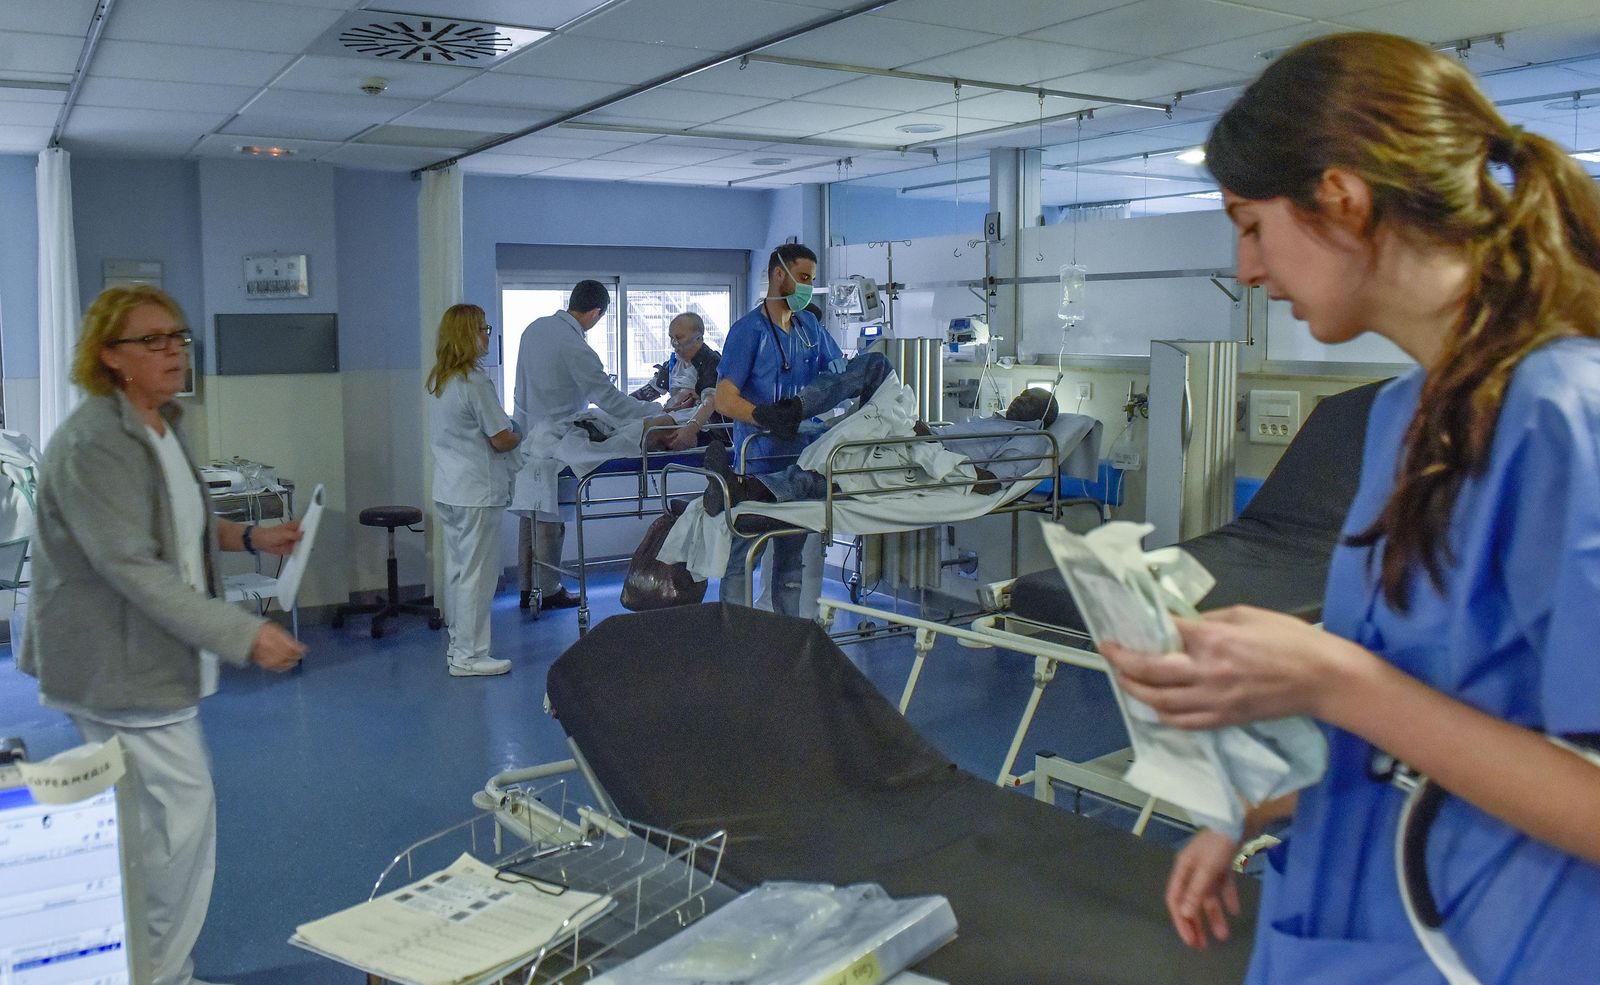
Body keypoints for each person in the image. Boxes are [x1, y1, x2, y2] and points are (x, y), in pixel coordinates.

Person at [1098, 32, 1600, 983]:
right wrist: (1263, 801)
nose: (1245, 268)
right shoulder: (1400, 415)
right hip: (1341, 927)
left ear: (1342, 198)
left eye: (1251, 225)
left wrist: (1334, 679)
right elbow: (1434, 714)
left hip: (1495, 940)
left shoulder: (1568, 416)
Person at [17, 285, 306, 985]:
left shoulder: (161, 424)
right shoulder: (94, 442)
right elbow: (133, 567)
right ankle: (159, 976)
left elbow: (179, 519)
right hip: (117, 664)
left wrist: (247, 534)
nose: (174, 350)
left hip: (149, 658)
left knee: (154, 826)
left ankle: (152, 970)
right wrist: (246, 633)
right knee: (180, 822)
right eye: (153, 340)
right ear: (110, 357)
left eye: (177, 336)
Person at [512, 279, 659, 611]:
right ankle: (547, 591)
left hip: (528, 435)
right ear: (596, 313)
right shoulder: (574, 345)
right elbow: (608, 399)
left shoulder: (534, 329)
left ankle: (527, 588)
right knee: (550, 515)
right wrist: (655, 412)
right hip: (557, 441)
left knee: (530, 512)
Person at [713, 243, 843, 615]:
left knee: (790, 559)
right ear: (778, 274)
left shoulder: (810, 328)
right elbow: (724, 398)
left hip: (801, 461)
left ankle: (787, 635)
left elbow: (838, 375)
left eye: (812, 281)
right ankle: (735, 634)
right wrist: (764, 416)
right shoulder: (748, 332)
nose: (807, 287)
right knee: (743, 556)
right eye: (802, 278)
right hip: (757, 461)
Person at [703, 382, 1060, 513]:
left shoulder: (1032, 440)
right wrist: (923, 433)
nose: (1019, 397)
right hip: (922, 449)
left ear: (1041, 415)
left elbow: (992, 482)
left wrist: (933, 449)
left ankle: (739, 488)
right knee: (846, 440)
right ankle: (738, 487)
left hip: (931, 470)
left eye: (1029, 398)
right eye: (1022, 391)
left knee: (836, 473)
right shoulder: (995, 421)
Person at [428, 303, 521, 677]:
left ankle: (459, 648)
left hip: (451, 490)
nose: (487, 335)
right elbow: (501, 439)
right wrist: (523, 433)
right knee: (477, 578)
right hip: (476, 494)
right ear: (467, 335)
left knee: (459, 574)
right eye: (482, 329)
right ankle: (469, 657)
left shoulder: (441, 380)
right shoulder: (475, 382)